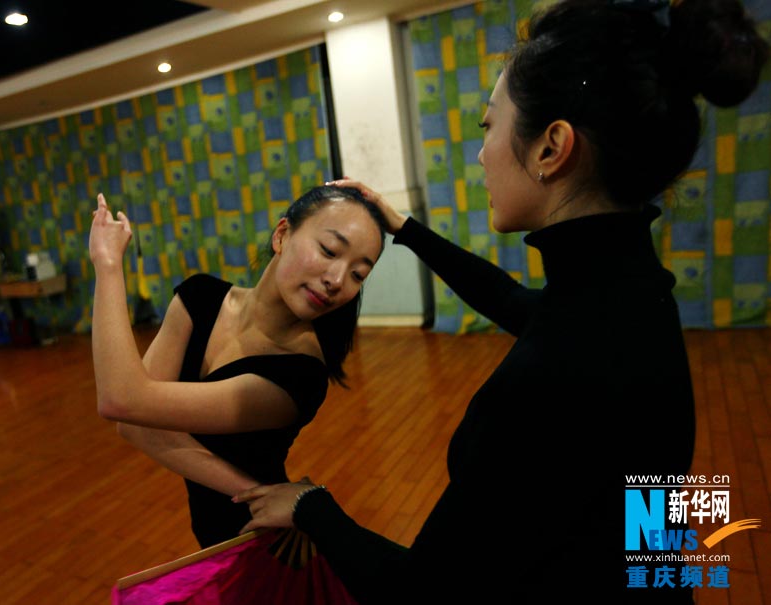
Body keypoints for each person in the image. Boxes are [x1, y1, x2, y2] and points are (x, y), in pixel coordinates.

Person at [234, 0, 770, 602]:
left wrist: (311, 506)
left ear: (551, 148)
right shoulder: (632, 299)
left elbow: (428, 594)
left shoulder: (556, 377)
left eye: (489, 126)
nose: (481, 153)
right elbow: (521, 305)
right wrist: (405, 228)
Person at [88, 185, 387, 548]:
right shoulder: (199, 298)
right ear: (282, 235)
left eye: (358, 274)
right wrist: (259, 492)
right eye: (328, 250)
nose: (337, 280)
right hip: (227, 531)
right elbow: (132, 425)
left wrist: (107, 267)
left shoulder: (299, 376)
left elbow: (121, 399)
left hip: (262, 545)